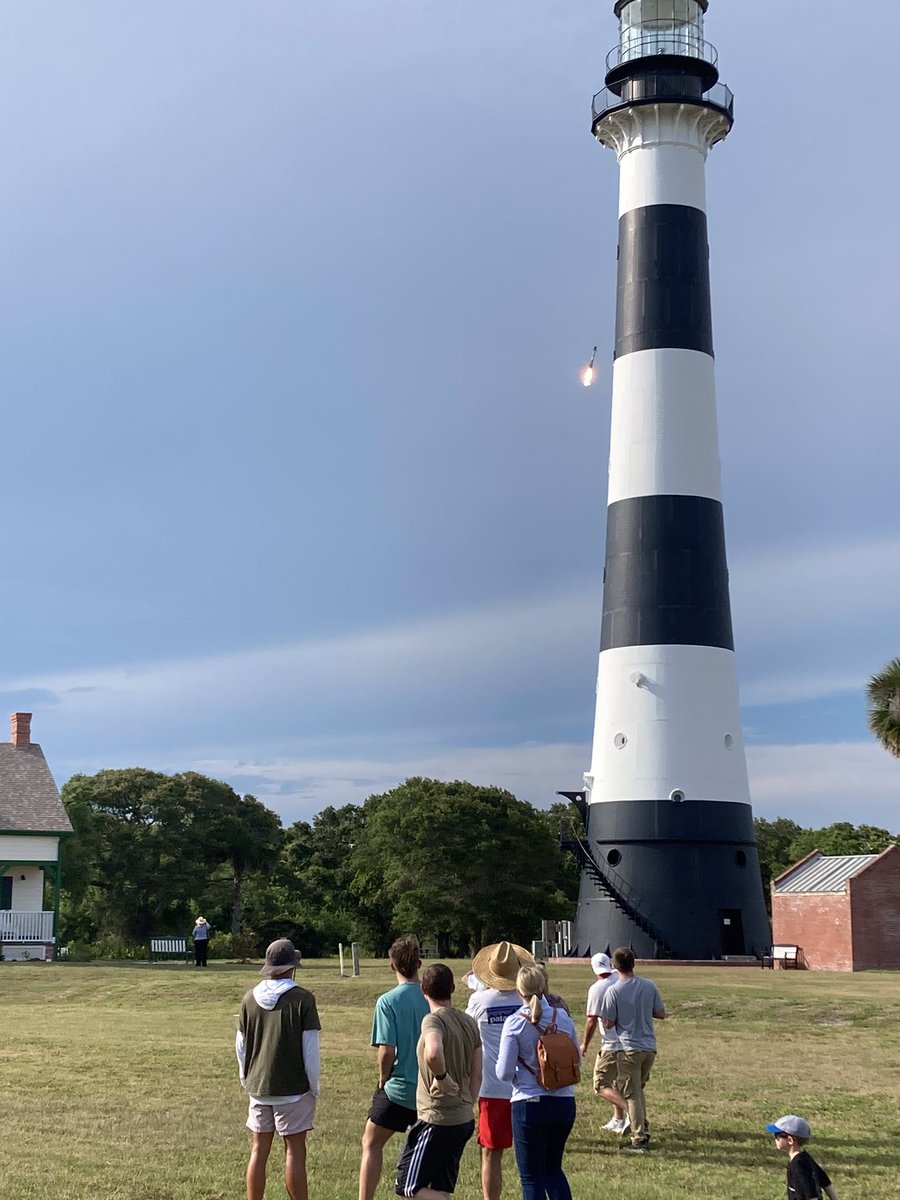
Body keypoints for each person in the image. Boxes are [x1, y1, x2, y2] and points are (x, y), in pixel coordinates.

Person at [236, 938, 320, 1200]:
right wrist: (314, 1086)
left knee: (258, 1151)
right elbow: (310, 1050)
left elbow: (240, 1046)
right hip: (294, 1089)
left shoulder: (249, 998)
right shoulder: (303, 999)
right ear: (291, 966)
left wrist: (246, 1077)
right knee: (294, 1152)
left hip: (258, 1087)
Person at [395, 963, 482, 1200]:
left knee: (408, 1186)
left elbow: (433, 1051)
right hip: (463, 1118)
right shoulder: (469, 1022)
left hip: (436, 1119)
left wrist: (442, 1078)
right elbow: (477, 1074)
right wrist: (468, 1101)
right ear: (453, 988)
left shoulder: (432, 1021)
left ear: (424, 990)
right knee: (440, 1186)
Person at [496, 964, 579, 1200]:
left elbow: (503, 1072)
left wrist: (521, 1074)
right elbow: (577, 1060)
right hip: (563, 1101)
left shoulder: (515, 1023)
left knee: (531, 1177)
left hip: (528, 1103)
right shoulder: (562, 1017)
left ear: (518, 990)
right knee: (553, 1170)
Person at [359, 937, 431, 1200]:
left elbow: (386, 1050)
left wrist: (382, 1078)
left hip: (399, 1088)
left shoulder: (387, 1002)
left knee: (371, 1143)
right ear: (419, 964)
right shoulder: (430, 996)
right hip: (429, 1089)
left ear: (392, 966)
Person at [467, 941, 535, 1200]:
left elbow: (468, 1034)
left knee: (491, 1152)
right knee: (532, 1155)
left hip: (493, 1086)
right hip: (528, 1085)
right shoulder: (528, 1000)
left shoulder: (478, 1001)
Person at [599, 946, 665, 1154]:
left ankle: (639, 1139)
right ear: (633, 963)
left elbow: (608, 1023)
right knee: (638, 1090)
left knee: (631, 1095)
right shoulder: (649, 986)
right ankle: (642, 1127)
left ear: (614, 966)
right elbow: (661, 1013)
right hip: (649, 1047)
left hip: (628, 1048)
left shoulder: (613, 991)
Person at [579, 951, 627, 1133]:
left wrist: (585, 1044)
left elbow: (591, 1020)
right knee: (616, 1081)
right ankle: (618, 1119)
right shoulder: (621, 979)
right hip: (629, 1039)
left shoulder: (597, 988)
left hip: (611, 1042)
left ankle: (633, 1114)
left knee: (600, 1084)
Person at [765, 1114, 839, 1200]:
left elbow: (811, 1195)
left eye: (777, 1136)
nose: (775, 1139)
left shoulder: (797, 1167)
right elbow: (826, 1182)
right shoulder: (805, 1157)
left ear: (790, 1140)